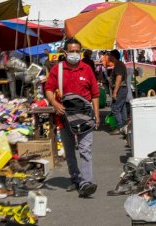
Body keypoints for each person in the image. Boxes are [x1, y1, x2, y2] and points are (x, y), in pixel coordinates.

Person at [44, 39, 100, 197]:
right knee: (69, 151)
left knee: (85, 149)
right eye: (72, 51)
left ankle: (87, 181)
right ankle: (76, 178)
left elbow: (95, 94)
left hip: (85, 117)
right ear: (65, 52)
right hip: (64, 117)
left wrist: (96, 114)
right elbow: (48, 89)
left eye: (77, 51)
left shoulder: (87, 69)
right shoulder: (58, 70)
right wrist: (54, 103)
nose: (75, 54)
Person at [109, 49, 128, 135]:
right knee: (122, 107)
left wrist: (115, 92)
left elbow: (118, 79)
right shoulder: (118, 64)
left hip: (120, 89)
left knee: (115, 108)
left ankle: (120, 127)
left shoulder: (119, 65)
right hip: (122, 89)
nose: (108, 57)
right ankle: (124, 126)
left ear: (113, 56)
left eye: (109, 55)